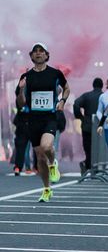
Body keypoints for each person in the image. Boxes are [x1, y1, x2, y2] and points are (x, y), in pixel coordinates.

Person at [16, 43, 69, 201]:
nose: (38, 54)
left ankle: (53, 163)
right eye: (35, 52)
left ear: (47, 55)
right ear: (31, 56)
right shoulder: (26, 77)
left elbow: (66, 88)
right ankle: (47, 189)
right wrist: (20, 90)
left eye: (41, 51)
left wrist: (62, 101)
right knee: (39, 158)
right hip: (33, 119)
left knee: (47, 146)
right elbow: (21, 103)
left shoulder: (55, 74)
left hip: (50, 117)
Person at [72, 78, 103, 175]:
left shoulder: (87, 96)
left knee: (88, 148)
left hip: (87, 125)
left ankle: (87, 164)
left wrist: (80, 117)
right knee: (99, 149)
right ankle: (94, 167)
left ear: (93, 85)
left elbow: (76, 104)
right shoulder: (103, 96)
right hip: (100, 126)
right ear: (102, 86)